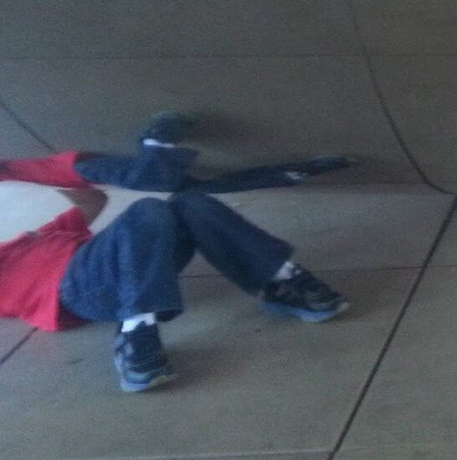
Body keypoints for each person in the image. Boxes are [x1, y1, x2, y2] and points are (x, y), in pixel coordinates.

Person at [0, 113, 352, 392]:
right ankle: (136, 336)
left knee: (190, 203)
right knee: (148, 210)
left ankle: (281, 281)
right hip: (76, 290)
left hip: (110, 265)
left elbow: (93, 200)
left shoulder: (40, 237)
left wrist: (21, 171)